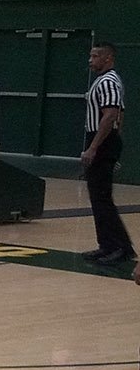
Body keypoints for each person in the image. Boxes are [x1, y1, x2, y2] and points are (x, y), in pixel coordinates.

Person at [80, 43, 132, 266]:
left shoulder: (109, 81)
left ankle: (120, 247)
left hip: (102, 140)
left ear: (108, 58)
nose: (91, 60)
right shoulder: (101, 81)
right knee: (98, 197)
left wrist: (94, 147)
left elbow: (111, 115)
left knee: (102, 197)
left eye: (95, 56)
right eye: (90, 55)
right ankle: (107, 244)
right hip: (103, 140)